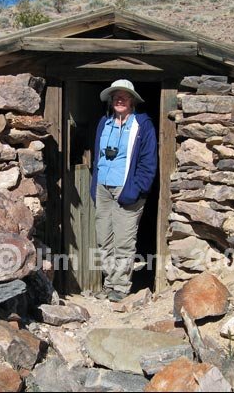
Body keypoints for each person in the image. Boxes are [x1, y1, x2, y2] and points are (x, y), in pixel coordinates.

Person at [90, 79, 158, 302]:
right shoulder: (104, 123)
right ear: (111, 100)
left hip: (127, 189)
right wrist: (94, 185)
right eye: (116, 96)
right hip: (103, 188)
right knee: (104, 239)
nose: (120, 99)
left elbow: (149, 162)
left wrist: (137, 188)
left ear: (132, 101)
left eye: (124, 96)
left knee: (124, 242)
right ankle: (109, 281)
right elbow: (97, 156)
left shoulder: (142, 125)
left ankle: (120, 287)